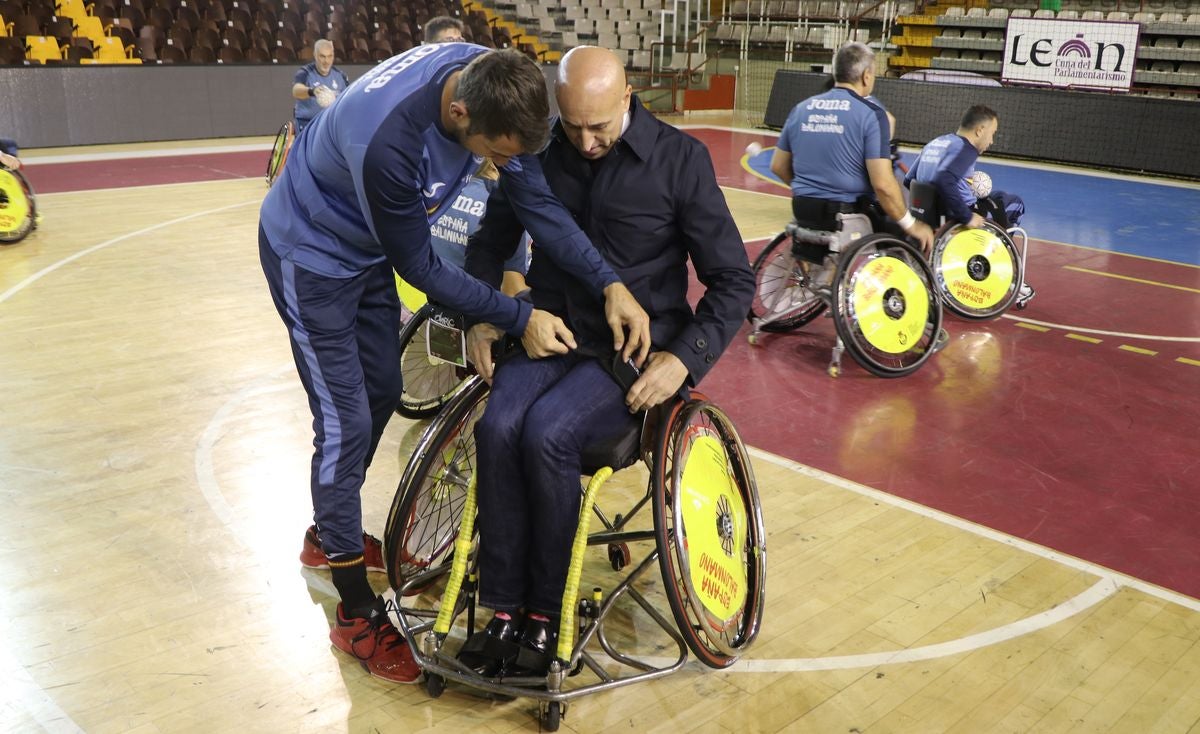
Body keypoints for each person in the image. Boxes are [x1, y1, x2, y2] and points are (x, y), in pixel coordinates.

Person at [259, 45, 649, 684]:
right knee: (346, 423)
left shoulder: (492, 80)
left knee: (384, 387)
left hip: (361, 253)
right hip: (311, 257)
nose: (500, 167)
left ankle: (326, 529)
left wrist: (608, 282)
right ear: (461, 111)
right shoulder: (388, 143)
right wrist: (520, 316)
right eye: (495, 153)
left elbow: (538, 207)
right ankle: (354, 608)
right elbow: (422, 269)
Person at [457, 46, 755, 678]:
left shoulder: (681, 161)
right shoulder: (538, 153)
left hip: (632, 355)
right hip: (552, 330)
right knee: (496, 426)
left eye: (599, 126)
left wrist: (683, 361)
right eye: (572, 126)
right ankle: (502, 610)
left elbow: (733, 280)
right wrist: (482, 313)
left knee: (547, 433)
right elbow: (490, 243)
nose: (586, 142)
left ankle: (543, 619)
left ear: (628, 97)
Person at [769, 42, 933, 253]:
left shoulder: (801, 109)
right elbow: (883, 185)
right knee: (909, 236)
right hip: (845, 214)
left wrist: (812, 192)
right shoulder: (872, 113)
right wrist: (912, 225)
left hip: (802, 208)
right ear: (866, 76)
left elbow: (778, 166)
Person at [903, 105, 1035, 303]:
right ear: (980, 130)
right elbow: (944, 179)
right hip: (957, 215)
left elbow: (909, 180)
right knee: (1014, 204)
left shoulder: (936, 142)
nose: (991, 141)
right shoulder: (966, 149)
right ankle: (1005, 276)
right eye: (992, 133)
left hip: (927, 215)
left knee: (997, 198)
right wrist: (966, 215)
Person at [291, 39, 350, 132]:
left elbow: (348, 99)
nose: (326, 61)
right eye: (322, 56)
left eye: (330, 56)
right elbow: (296, 90)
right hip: (307, 123)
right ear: (315, 55)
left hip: (329, 124)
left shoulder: (340, 76)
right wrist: (312, 91)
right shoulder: (305, 72)